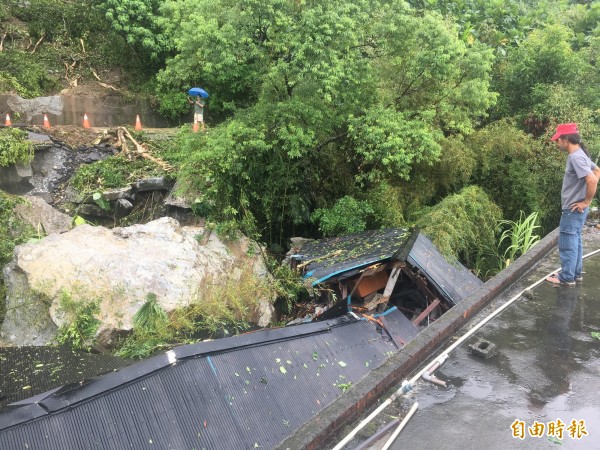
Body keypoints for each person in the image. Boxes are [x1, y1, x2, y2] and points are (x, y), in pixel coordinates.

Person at [546, 123, 600, 286]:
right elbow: (597, 171)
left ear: (566, 139)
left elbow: (591, 179)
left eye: (558, 140)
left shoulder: (576, 157)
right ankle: (574, 274)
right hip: (577, 210)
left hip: (573, 209)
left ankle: (566, 277)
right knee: (575, 240)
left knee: (567, 242)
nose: (557, 143)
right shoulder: (581, 154)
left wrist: (586, 201)